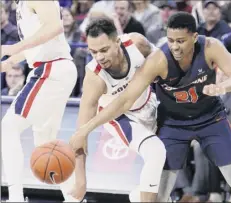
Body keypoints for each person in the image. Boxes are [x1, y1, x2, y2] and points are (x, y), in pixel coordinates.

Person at [70, 12, 231, 203]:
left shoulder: (208, 47)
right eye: (170, 40)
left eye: (180, 41)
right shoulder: (155, 61)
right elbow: (123, 102)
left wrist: (223, 86)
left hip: (209, 118)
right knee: (157, 178)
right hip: (158, 120)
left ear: (194, 37)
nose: (174, 47)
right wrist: (81, 166)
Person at [69, 18, 166, 202]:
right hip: (120, 118)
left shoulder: (137, 44)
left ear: (118, 42)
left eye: (104, 50)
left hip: (149, 102)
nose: (99, 57)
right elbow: (81, 132)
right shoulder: (95, 77)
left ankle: (138, 196)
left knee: (165, 173)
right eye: (93, 51)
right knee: (156, 151)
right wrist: (80, 179)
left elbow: (164, 68)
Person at [1, 0, 77, 202]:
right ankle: (74, 199)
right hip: (55, 69)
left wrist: (12, 47)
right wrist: (8, 62)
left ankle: (16, 198)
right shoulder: (20, 5)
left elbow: (54, 26)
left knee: (8, 127)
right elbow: (39, 40)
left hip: (51, 69)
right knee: (47, 145)